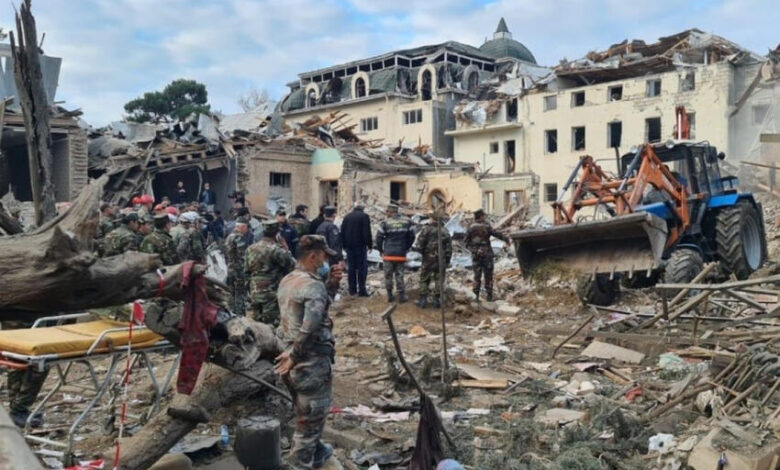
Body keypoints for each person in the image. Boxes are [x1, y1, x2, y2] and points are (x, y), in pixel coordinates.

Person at [274, 235, 342, 470]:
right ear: (313, 256)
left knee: (307, 414)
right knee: (309, 422)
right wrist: (295, 355)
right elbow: (310, 327)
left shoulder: (289, 280)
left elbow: (317, 308)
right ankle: (300, 464)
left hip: (294, 363)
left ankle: (318, 453)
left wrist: (331, 284)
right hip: (309, 363)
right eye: (324, 257)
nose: (326, 262)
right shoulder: (313, 286)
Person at [244, 220, 296, 326]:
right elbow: (292, 265)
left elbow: (246, 271)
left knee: (257, 326)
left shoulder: (250, 249)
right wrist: (286, 249)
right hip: (271, 293)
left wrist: (249, 288)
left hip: (255, 292)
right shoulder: (276, 250)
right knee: (271, 325)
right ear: (277, 234)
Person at [464, 209, 508, 301]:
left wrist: (474, 251)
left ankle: (476, 296)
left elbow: (466, 243)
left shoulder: (470, 227)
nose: (485, 217)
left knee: (477, 276)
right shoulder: (487, 226)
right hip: (487, 254)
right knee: (488, 276)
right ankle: (489, 296)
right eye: (484, 216)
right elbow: (497, 234)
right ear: (480, 217)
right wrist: (506, 239)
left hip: (476, 256)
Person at [375, 204, 414, 303]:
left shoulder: (384, 223)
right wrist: (406, 247)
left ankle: (389, 295)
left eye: (387, 211)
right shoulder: (407, 222)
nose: (386, 213)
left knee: (388, 275)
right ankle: (401, 296)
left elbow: (378, 238)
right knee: (399, 275)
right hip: (400, 254)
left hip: (388, 254)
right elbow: (412, 237)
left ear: (391, 212)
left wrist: (381, 250)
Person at [414, 213, 452, 308]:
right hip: (441, 260)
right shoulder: (445, 231)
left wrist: (423, 253)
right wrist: (447, 260)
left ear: (433, 219)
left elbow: (419, 245)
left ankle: (422, 300)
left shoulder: (426, 230)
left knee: (424, 278)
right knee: (439, 279)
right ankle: (437, 300)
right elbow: (449, 249)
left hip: (428, 259)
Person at [340, 201, 372, 296]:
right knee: (362, 268)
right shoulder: (364, 216)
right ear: (363, 208)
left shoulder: (347, 217)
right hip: (360, 246)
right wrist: (369, 245)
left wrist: (344, 245)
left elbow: (342, 231)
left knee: (351, 268)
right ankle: (362, 290)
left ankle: (352, 290)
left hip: (349, 246)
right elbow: (366, 232)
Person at [224, 217, 250, 316]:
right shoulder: (239, 237)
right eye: (246, 228)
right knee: (240, 292)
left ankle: (231, 312)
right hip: (238, 269)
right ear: (242, 227)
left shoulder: (229, 236)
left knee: (231, 292)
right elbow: (242, 254)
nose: (247, 230)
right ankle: (240, 314)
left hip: (230, 267)